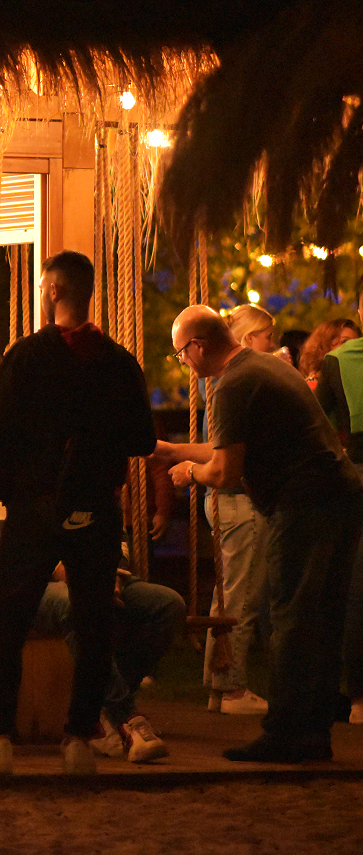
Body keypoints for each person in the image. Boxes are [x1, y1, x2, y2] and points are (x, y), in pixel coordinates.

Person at [0, 250, 155, 776]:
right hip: (96, 508)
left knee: (9, 621)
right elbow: (142, 438)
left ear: (51, 291)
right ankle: (77, 740)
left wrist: (20, 488)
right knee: (95, 624)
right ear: (88, 292)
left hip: (35, 507)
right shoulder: (118, 362)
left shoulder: (26, 357)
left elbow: (1, 436)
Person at [162, 306, 363, 762]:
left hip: (307, 503)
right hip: (340, 496)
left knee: (292, 615)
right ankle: (314, 732)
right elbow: (229, 446)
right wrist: (173, 449)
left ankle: (285, 733)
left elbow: (225, 470)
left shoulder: (232, 384)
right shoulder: (262, 367)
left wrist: (188, 473)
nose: (183, 363)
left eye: (180, 354)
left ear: (198, 346)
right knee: (322, 616)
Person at [194, 303, 278, 716]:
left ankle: (218, 684)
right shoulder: (238, 384)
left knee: (227, 595)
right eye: (268, 337)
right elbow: (228, 457)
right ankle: (232, 689)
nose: (272, 346)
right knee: (242, 597)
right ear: (247, 339)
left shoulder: (218, 385)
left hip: (225, 502)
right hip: (239, 500)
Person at [33, 552, 185, 764]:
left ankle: (102, 708)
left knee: (168, 605)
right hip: (34, 582)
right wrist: (80, 576)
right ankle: (126, 717)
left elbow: (116, 545)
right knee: (77, 604)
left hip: (93, 576)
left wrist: (110, 576)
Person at [312, 300, 363, 726]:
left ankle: (356, 694)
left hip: (356, 473)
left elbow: (319, 427)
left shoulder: (340, 362)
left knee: (355, 586)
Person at [297, 317, 360, 388]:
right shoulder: (313, 386)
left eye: (356, 344)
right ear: (324, 346)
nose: (352, 348)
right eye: (345, 342)